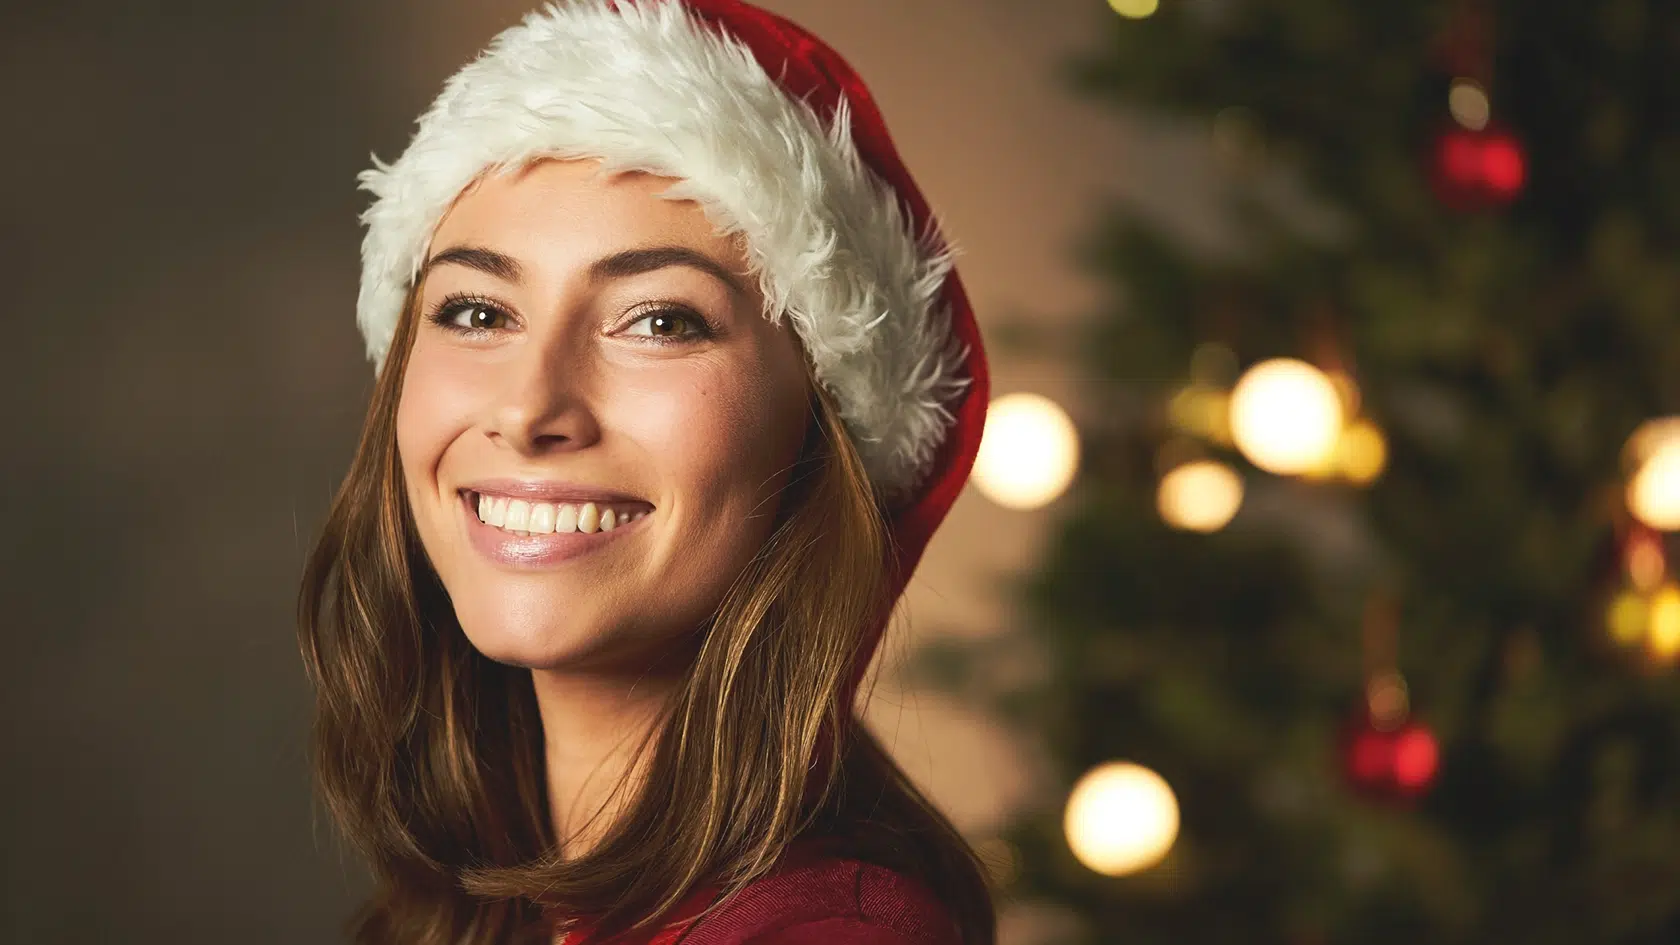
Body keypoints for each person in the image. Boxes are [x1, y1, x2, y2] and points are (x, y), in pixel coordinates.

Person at [297, 1, 995, 942]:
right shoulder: (488, 906)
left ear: (817, 427)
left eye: (660, 321)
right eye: (478, 312)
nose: (529, 409)